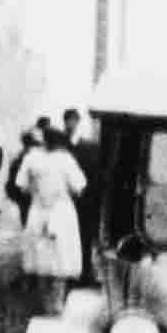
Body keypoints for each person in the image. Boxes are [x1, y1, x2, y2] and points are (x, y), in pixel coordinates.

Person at [19, 121, 88, 312]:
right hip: (61, 210)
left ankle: (43, 302)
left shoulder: (32, 158)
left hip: (38, 209)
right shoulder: (66, 160)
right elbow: (79, 187)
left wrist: (37, 190)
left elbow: (22, 186)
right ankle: (56, 303)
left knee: (41, 256)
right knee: (60, 257)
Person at [63, 106, 103, 276]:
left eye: (74, 120)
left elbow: (94, 173)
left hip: (84, 201)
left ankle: (85, 272)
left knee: (84, 237)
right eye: (68, 120)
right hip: (65, 199)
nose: (71, 124)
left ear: (78, 122)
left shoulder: (89, 147)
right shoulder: (60, 145)